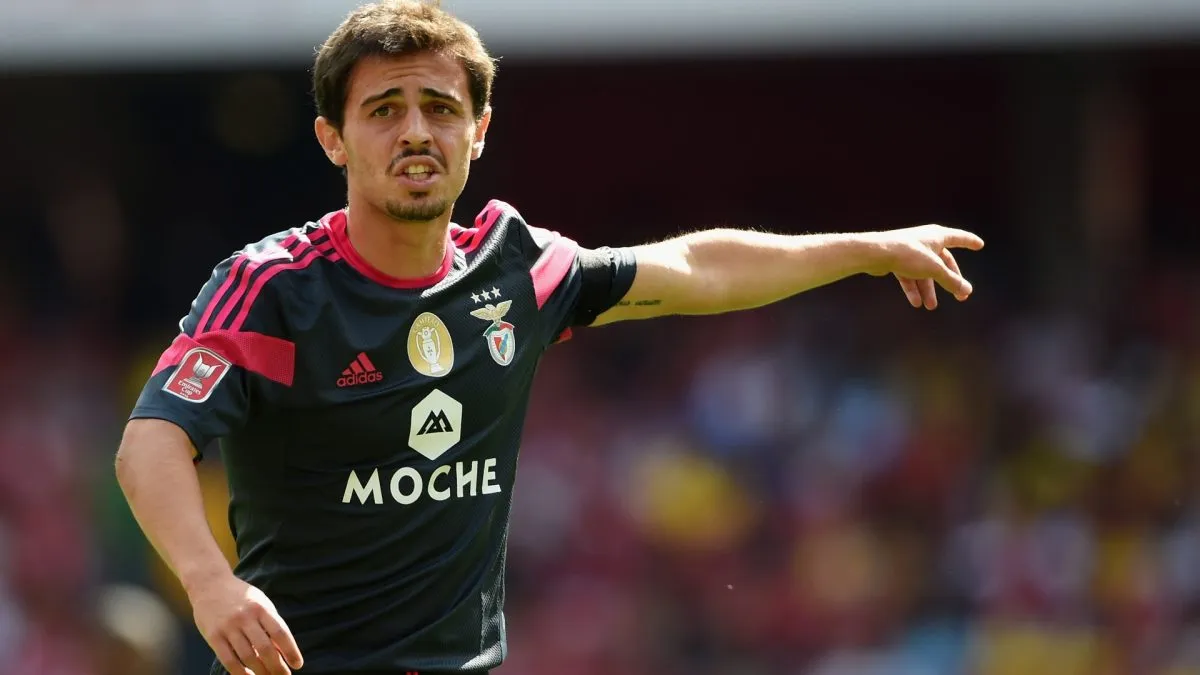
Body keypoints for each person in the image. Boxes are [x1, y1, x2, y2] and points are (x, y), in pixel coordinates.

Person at [114, 1, 985, 674]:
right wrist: (208, 579)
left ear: (477, 131)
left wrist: (865, 249)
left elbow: (696, 267)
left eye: (439, 107)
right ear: (333, 139)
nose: (416, 130)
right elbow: (152, 439)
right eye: (383, 109)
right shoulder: (272, 288)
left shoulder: (516, 266)